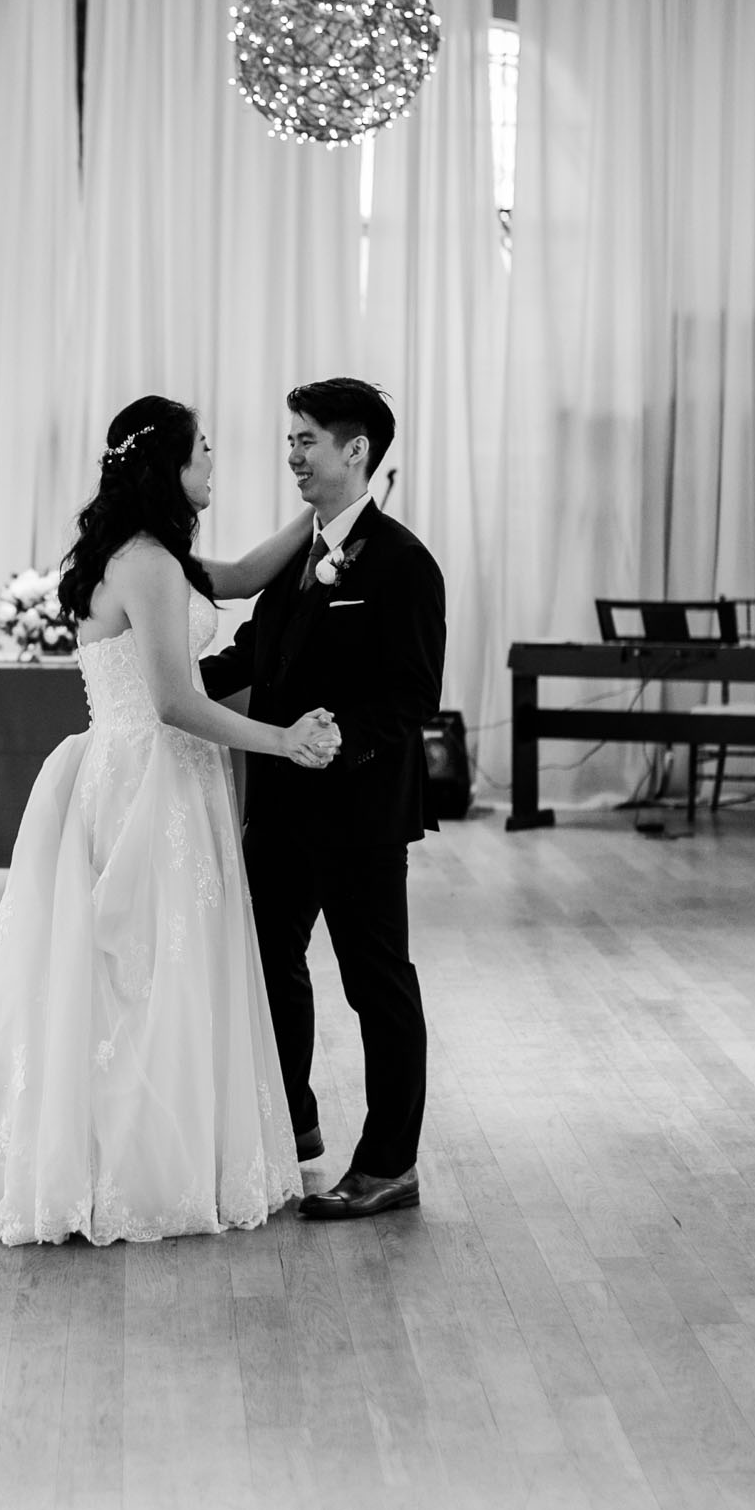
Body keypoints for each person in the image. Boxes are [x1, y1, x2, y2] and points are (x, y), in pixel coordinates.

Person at [0, 395, 338, 1246]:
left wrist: (318, 515)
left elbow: (246, 577)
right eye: (203, 450)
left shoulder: (146, 554)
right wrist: (282, 741)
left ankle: (139, 1152)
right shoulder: (145, 562)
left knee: (144, 975)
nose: (215, 461)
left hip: (150, 777)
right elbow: (176, 702)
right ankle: (131, 1170)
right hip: (150, 782)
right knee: (139, 977)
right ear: (167, 469)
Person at [200, 378, 446, 1220]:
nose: (293, 453)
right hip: (276, 808)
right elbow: (253, 657)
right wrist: (153, 687)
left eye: (307, 438)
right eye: (291, 437)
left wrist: (344, 737)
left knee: (375, 982)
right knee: (268, 968)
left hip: (357, 812)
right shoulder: (297, 560)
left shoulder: (404, 563)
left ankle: (388, 1163)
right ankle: (292, 1127)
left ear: (356, 453)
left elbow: (412, 696)